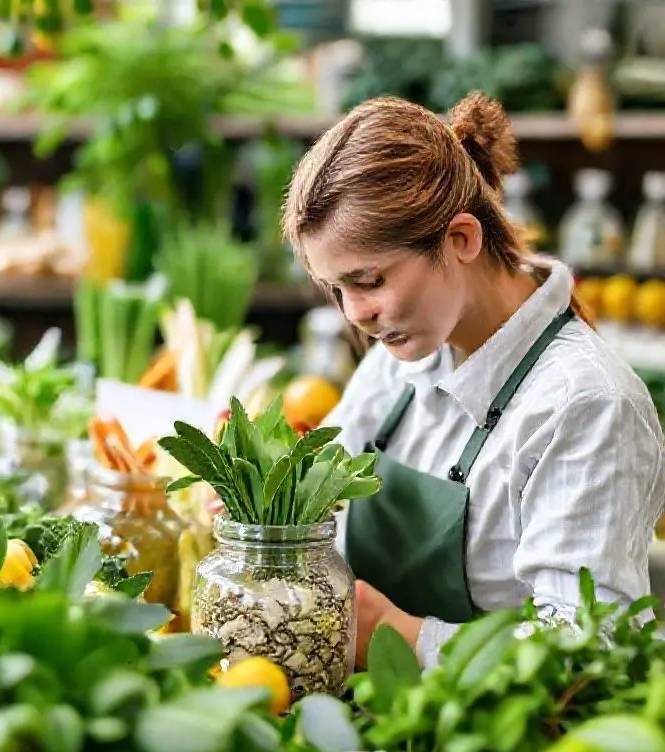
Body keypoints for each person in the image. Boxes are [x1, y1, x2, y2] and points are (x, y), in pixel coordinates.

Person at [281, 91, 665, 669]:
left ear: (461, 239)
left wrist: (396, 634)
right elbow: (323, 493)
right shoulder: (403, 350)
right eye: (336, 288)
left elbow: (586, 653)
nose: (353, 313)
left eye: (368, 280)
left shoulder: (587, 405)